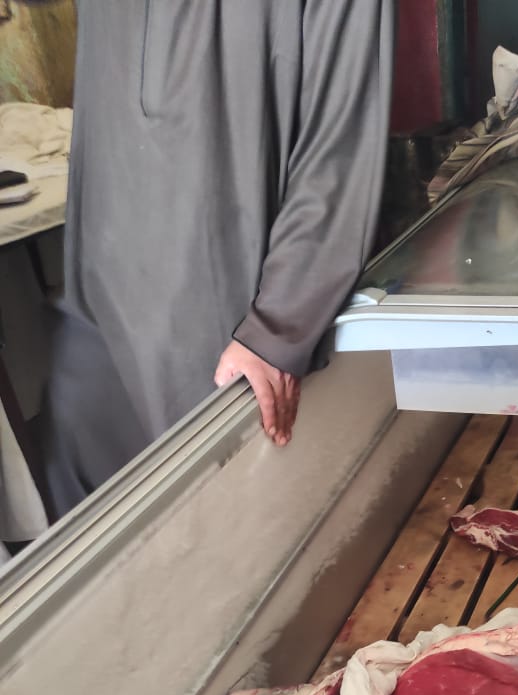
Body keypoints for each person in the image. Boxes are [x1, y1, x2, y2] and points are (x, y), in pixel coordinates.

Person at [39, 0, 394, 519]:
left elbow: (340, 139)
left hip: (221, 291)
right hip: (99, 278)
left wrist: (279, 324)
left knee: (213, 511)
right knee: (85, 507)